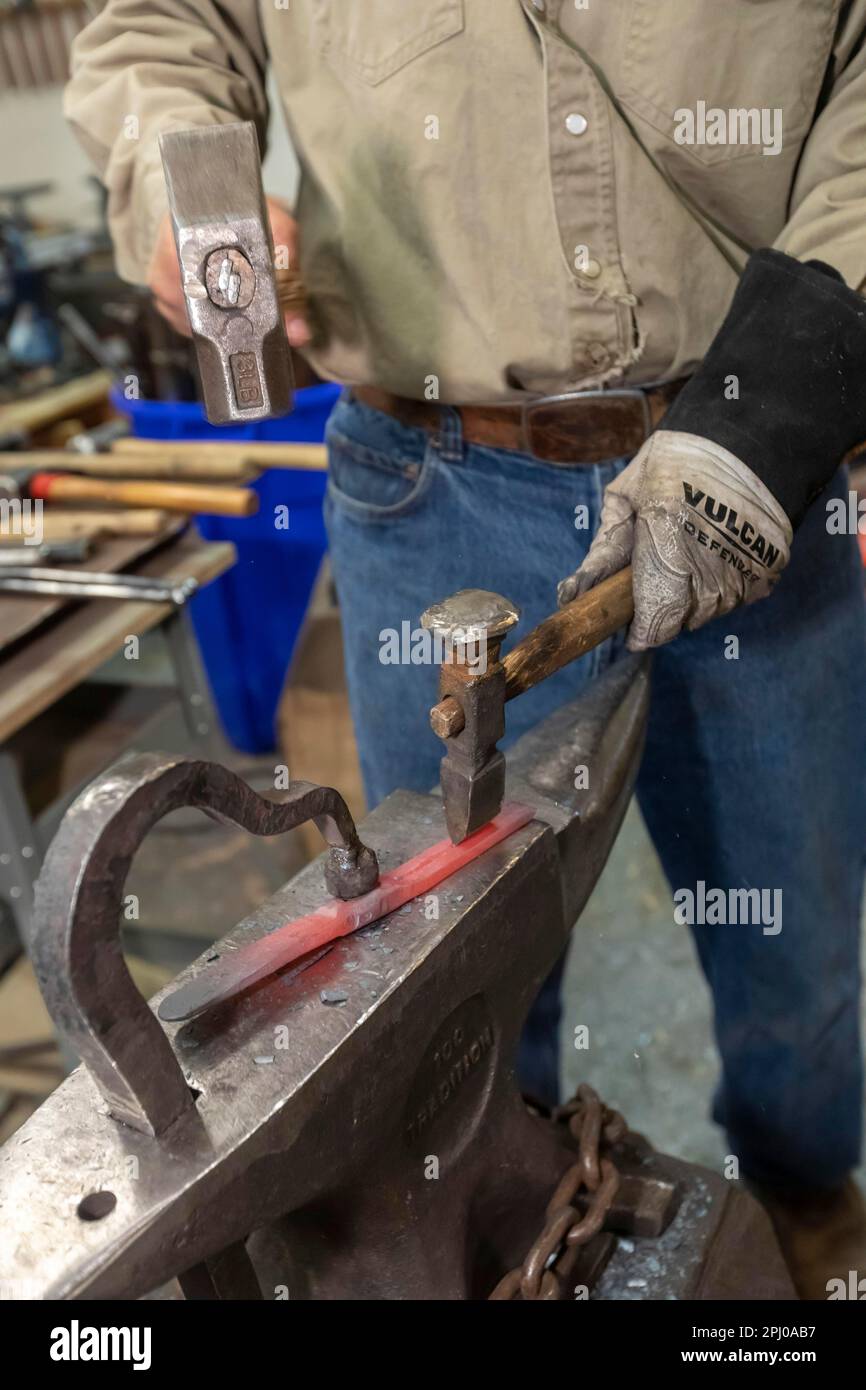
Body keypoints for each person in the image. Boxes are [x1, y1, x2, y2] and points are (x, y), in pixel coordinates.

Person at [65, 1, 866, 1299]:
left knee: (795, 943)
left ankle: (802, 1194)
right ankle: (491, 1211)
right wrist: (174, 170)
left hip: (748, 445)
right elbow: (166, 20)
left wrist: (778, 396)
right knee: (445, 971)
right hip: (426, 479)